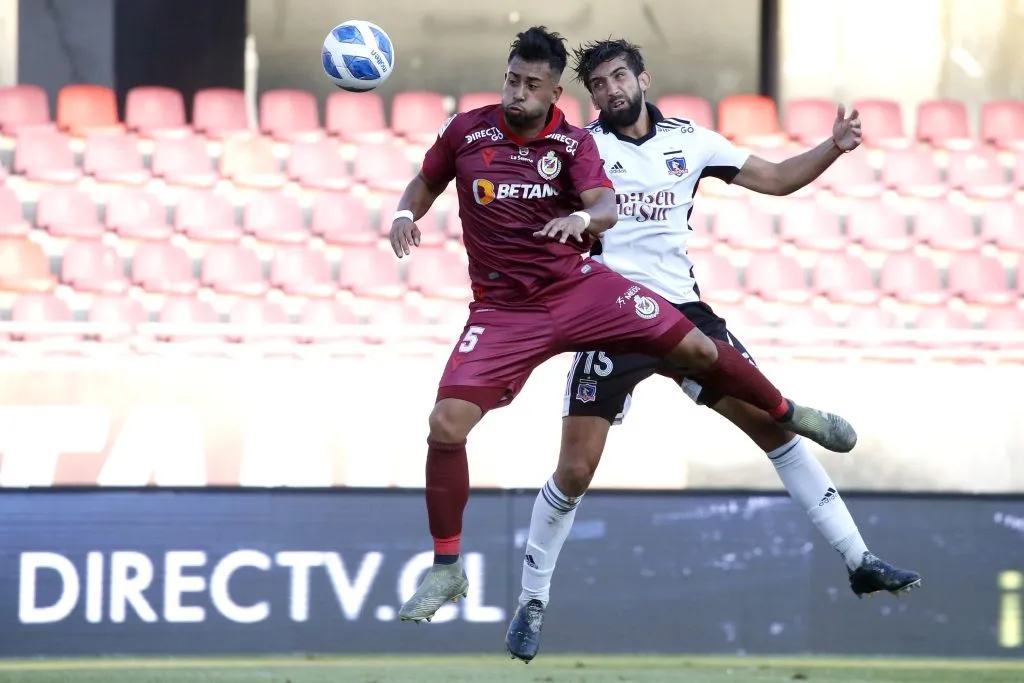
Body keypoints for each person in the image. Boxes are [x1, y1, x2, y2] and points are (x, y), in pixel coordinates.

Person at [389, 26, 857, 625]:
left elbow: (606, 206)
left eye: (531, 85)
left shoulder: (576, 143)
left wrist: (583, 220)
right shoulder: (467, 130)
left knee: (698, 347)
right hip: (504, 311)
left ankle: (791, 413)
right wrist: (404, 212)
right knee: (447, 426)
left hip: (581, 290)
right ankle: (449, 567)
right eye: (512, 80)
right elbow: (427, 180)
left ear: (554, 93)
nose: (518, 93)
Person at [504, 38, 922, 662]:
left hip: (683, 315)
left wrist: (833, 147)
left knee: (775, 433)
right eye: (599, 85)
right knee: (575, 471)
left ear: (643, 79)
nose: (612, 90)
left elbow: (775, 179)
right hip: (610, 315)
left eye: (619, 77)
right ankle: (532, 600)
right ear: (590, 96)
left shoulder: (690, 141)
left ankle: (859, 559)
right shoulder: (581, 150)